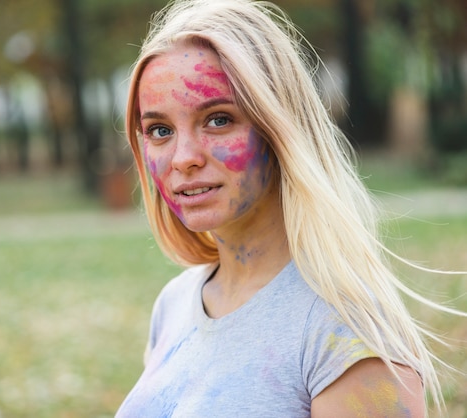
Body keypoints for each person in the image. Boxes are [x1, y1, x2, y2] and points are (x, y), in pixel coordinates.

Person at [116, 0, 465, 416]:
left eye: (218, 120)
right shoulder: (174, 303)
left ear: (278, 130)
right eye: (159, 130)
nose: (183, 157)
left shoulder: (346, 332)